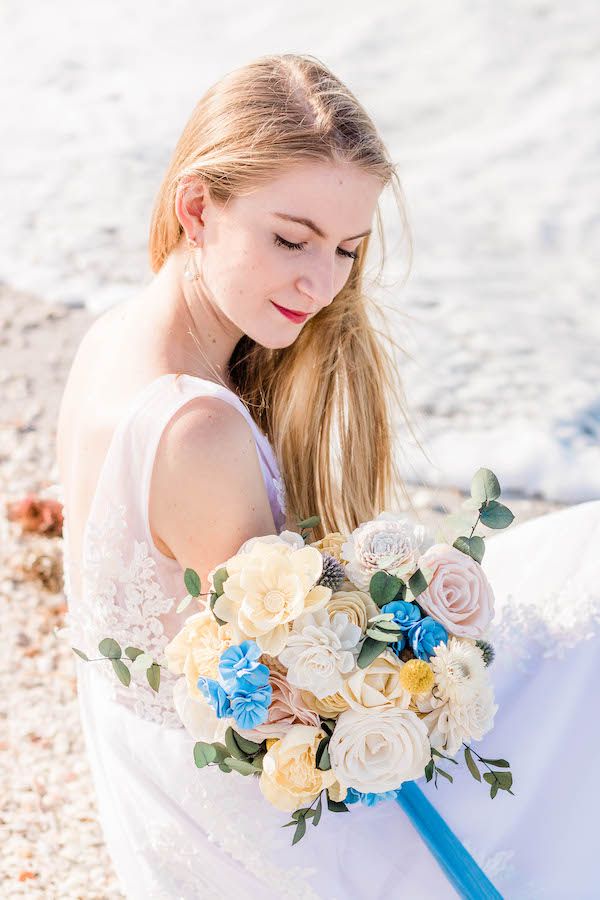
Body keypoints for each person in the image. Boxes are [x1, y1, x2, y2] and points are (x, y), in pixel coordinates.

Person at [56, 52, 600, 899]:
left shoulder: (120, 336)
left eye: (348, 248)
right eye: (290, 238)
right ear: (197, 207)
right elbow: (300, 699)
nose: (322, 282)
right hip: (254, 823)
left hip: (153, 783)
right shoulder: (196, 430)